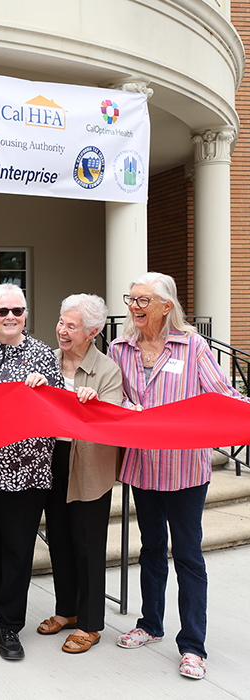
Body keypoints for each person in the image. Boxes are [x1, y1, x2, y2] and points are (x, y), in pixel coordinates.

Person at [109, 272, 248, 681]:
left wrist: (244, 412)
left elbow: (221, 393)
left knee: (187, 556)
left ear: (166, 306)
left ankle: (193, 646)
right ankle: (151, 624)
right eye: (131, 299)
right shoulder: (120, 348)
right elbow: (111, 397)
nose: (134, 307)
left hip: (185, 468)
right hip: (142, 466)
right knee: (151, 548)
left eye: (143, 301)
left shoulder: (192, 345)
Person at [0, 283, 63, 661]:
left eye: (17, 311)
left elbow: (57, 408)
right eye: (2, 311)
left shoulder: (42, 356)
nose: (10, 317)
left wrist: (45, 388)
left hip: (25, 473)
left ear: (26, 315)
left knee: (17, 550)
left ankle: (10, 624)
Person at [36, 294, 123, 654]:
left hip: (88, 462)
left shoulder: (106, 370)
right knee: (58, 538)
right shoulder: (48, 362)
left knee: (86, 544)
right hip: (53, 457)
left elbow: (112, 419)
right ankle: (67, 611)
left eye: (71, 326)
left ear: (93, 332)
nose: (62, 330)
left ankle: (90, 623)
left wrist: (96, 402)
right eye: (61, 322)